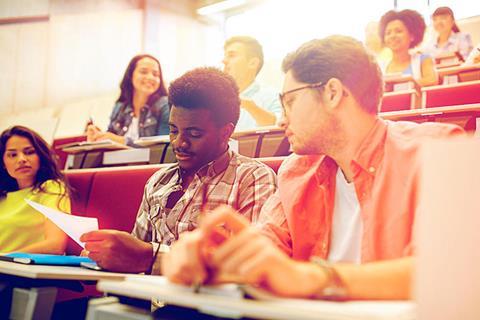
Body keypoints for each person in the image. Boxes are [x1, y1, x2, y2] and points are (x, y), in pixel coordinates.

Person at [162, 35, 464, 300]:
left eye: (289, 102)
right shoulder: (296, 171)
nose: (281, 120)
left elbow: (448, 271)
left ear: (332, 93)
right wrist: (211, 261)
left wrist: (315, 278)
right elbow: (267, 250)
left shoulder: (436, 149)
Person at [80, 67, 277, 273]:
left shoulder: (253, 178)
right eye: (173, 130)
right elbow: (134, 255)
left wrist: (151, 258)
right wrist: (106, 257)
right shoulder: (158, 181)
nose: (179, 142)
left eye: (194, 133)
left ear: (225, 132)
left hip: (207, 304)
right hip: (145, 300)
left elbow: (249, 265)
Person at [0, 126, 71, 253]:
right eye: (12, 155)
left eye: (29, 152)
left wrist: (4, 258)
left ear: (40, 157)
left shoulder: (51, 188)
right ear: (3, 164)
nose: (22, 159)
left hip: (19, 269)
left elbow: (55, 245)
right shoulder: (3, 195)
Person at [86, 54, 170, 146]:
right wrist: (99, 136)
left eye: (155, 74)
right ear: (130, 75)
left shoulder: (165, 106)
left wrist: (122, 141)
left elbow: (162, 148)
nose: (150, 77)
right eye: (144, 72)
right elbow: (111, 139)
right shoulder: (120, 107)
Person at [223, 36, 282, 131]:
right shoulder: (215, 101)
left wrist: (250, 107)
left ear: (253, 63)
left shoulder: (273, 97)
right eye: (225, 56)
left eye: (232, 55)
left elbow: (279, 128)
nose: (224, 61)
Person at [379, 9, 438, 86]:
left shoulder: (423, 59)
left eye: (398, 31)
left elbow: (432, 80)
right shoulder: (381, 67)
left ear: (412, 36)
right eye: (388, 33)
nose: (392, 36)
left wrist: (400, 84)